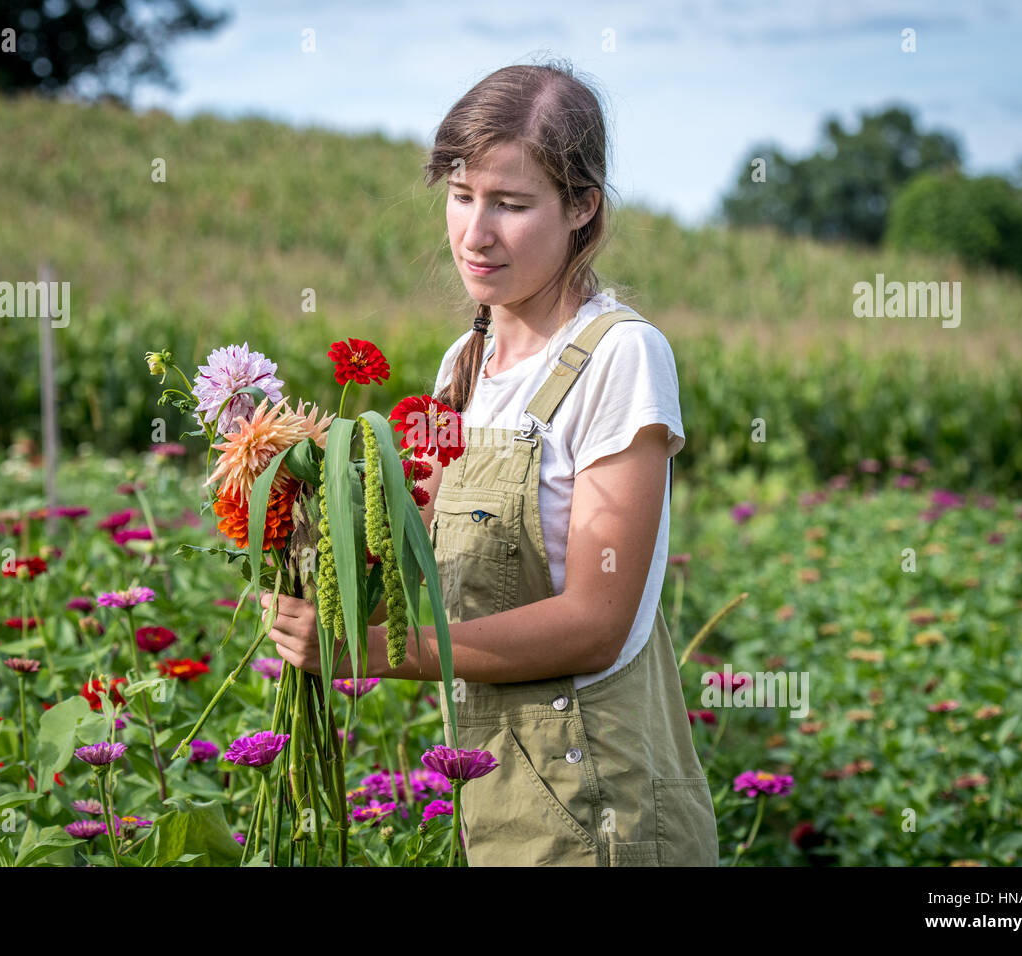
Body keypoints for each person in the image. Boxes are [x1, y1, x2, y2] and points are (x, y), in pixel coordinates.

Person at [263, 60, 718, 867]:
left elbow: (594, 622)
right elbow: (427, 578)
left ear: (583, 207)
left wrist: (377, 655)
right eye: (462, 194)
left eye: (511, 204)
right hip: (495, 806)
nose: (476, 232)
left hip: (600, 810)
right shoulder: (459, 372)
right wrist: (308, 535)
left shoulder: (622, 357)